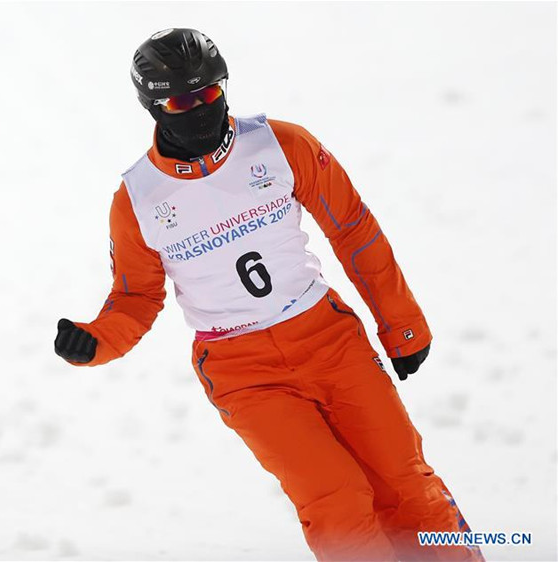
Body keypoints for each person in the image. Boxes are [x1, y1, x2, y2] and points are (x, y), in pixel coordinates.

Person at [54, 28, 485, 562]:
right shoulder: (137, 200)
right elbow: (136, 298)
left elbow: (353, 230)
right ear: (154, 105)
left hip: (328, 338)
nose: (200, 107)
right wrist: (96, 341)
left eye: (211, 92)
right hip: (244, 371)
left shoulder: (283, 145)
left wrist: (401, 324)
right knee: (337, 501)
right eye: (182, 100)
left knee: (405, 483)